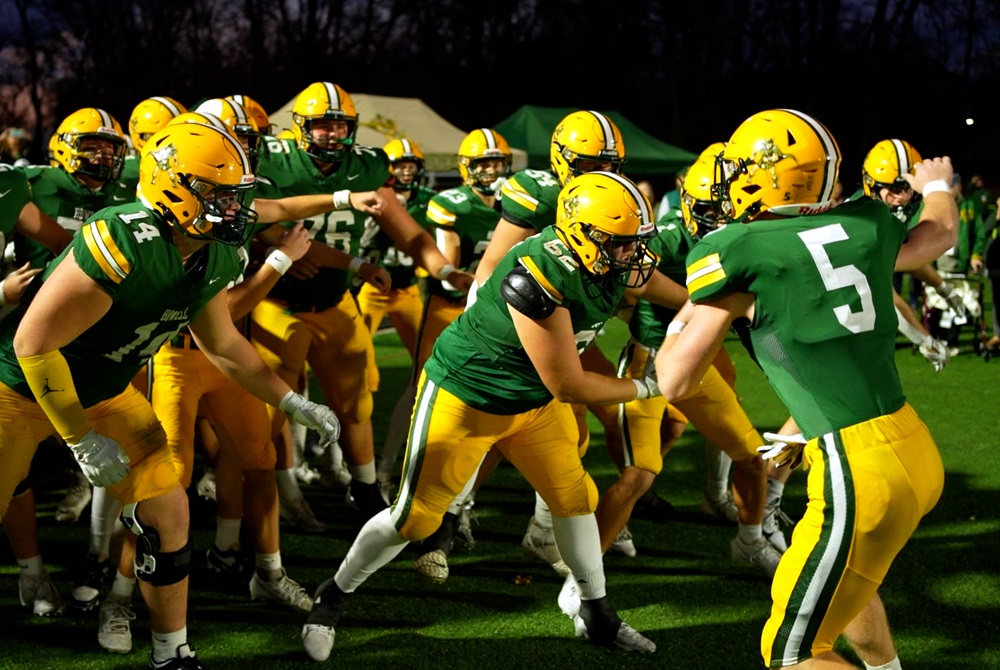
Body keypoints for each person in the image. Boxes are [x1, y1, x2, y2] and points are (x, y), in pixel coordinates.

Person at [0, 121, 342, 669]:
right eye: (219, 195)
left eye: (237, 195)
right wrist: (81, 438)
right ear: (172, 187)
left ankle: (170, 651)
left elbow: (224, 343)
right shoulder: (122, 236)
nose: (234, 209)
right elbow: (32, 344)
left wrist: (290, 401)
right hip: (17, 389)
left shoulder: (215, 252)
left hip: (105, 390)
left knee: (170, 509)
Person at [301, 171, 682, 661]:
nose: (633, 257)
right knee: (413, 519)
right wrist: (650, 385)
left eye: (635, 244)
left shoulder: (605, 258)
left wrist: (704, 304)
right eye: (622, 245)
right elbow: (568, 384)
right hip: (468, 397)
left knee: (574, 498)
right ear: (583, 238)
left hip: (531, 403)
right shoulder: (537, 275)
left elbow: (646, 280)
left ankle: (596, 612)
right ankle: (331, 596)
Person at [656, 108, 956, 668]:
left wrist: (689, 314)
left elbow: (674, 381)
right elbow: (938, 230)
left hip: (858, 471)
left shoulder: (740, 251)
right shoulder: (865, 223)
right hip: (911, 447)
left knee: (792, 653)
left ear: (763, 175)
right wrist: (938, 183)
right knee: (850, 586)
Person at [251, 81, 472, 524]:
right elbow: (247, 216)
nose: (332, 135)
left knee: (356, 404)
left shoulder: (366, 167)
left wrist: (445, 271)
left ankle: (366, 487)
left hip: (336, 300)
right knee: (270, 410)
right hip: (276, 301)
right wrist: (274, 254)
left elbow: (407, 232)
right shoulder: (272, 159)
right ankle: (282, 487)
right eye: (321, 126)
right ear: (301, 129)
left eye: (339, 126)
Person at [608, 142, 783, 573]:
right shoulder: (667, 235)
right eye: (711, 209)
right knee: (640, 472)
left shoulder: (749, 237)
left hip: (698, 360)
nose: (721, 220)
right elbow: (625, 276)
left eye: (730, 209)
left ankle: (750, 537)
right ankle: (585, 575)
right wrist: (695, 301)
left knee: (751, 455)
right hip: (649, 360)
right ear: (687, 202)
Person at [383, 129, 511, 567]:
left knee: (490, 409)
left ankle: (461, 505)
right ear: (466, 168)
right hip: (450, 307)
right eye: (484, 164)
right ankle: (389, 472)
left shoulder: (518, 203)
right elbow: (449, 268)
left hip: (498, 315)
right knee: (425, 390)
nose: (492, 171)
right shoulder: (451, 204)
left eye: (498, 163)